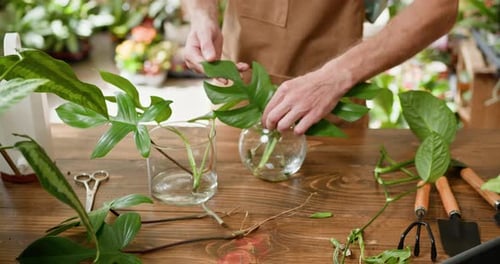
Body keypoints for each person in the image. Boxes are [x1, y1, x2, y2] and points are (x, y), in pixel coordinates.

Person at [183, 0, 458, 135]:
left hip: (328, 109)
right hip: (239, 92)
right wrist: (201, 13)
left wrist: (336, 77)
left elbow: (438, 7)